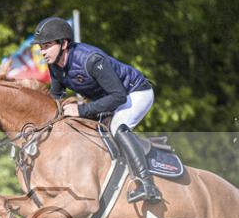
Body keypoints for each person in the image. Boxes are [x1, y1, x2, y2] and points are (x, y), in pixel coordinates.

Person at [33, 16, 162, 204]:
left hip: (134, 93)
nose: (42, 52)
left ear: (63, 44)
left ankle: (147, 185)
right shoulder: (55, 66)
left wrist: (81, 110)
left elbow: (119, 97)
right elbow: (55, 99)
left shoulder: (91, 60)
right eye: (41, 47)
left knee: (117, 128)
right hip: (107, 100)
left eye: (46, 46)